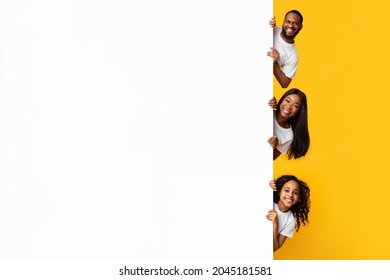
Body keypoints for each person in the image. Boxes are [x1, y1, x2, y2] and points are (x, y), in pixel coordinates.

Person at [266, 175, 310, 252]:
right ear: (280, 191)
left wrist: (275, 225)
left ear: (298, 197)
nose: (290, 195)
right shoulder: (267, 200)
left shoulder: (291, 220)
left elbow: (274, 248)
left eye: (295, 193)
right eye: (287, 190)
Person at [267, 88, 310, 160]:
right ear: (282, 99)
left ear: (299, 111)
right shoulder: (270, 109)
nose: (289, 107)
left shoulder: (289, 136)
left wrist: (272, 147)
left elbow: (270, 159)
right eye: (287, 100)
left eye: (296, 106)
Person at [267, 10, 303, 88]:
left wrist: (275, 63)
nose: (291, 25)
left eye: (295, 23)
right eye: (288, 21)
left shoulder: (293, 56)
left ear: (300, 27)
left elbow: (285, 83)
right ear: (283, 22)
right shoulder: (270, 29)